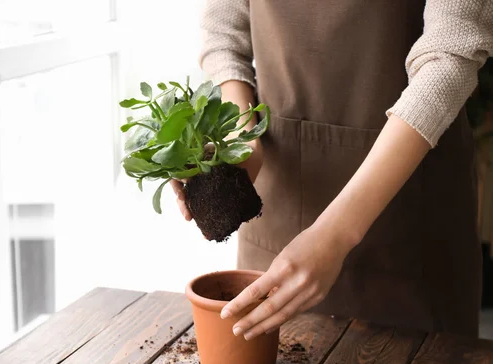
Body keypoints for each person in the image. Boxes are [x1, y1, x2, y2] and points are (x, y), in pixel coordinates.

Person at [171, 0, 493, 338]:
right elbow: (224, 31)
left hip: (409, 222)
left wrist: (336, 234)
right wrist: (241, 141)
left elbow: (450, 54)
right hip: (278, 209)